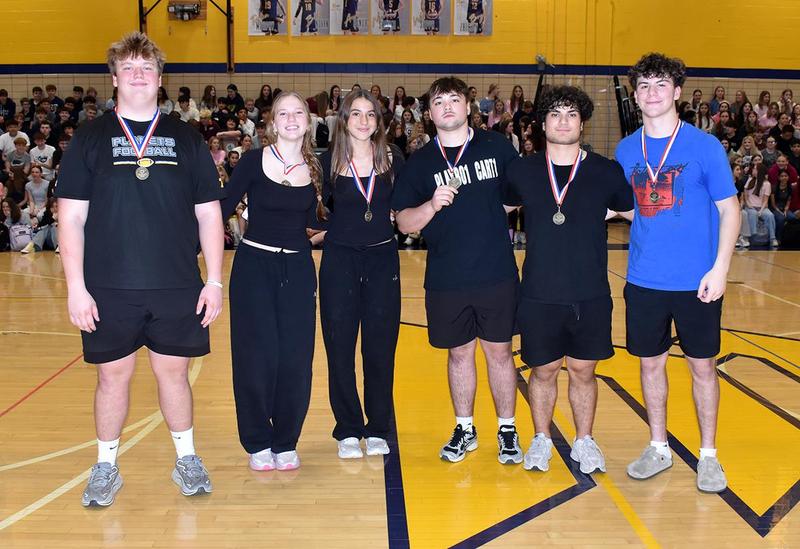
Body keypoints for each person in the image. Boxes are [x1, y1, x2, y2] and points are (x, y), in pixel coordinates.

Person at [55, 32, 224, 507]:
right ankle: (105, 466)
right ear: (113, 78)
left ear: (160, 77)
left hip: (176, 284)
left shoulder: (186, 138)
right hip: (108, 287)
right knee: (112, 378)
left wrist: (214, 280)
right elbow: (71, 217)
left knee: (174, 375)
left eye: (146, 67)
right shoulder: (89, 138)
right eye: (128, 67)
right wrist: (75, 287)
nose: (137, 74)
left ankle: (186, 459)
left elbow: (209, 214)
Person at [615, 53, 739, 493]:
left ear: (677, 92)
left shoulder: (704, 146)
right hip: (644, 279)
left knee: (703, 368)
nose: (652, 93)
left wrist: (720, 269)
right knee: (651, 365)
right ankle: (658, 447)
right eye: (644, 86)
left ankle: (708, 455)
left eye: (661, 84)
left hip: (697, 281)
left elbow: (730, 210)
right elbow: (636, 207)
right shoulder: (625, 149)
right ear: (635, 96)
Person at [392, 77, 522, 465]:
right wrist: (432, 206)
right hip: (447, 278)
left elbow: (519, 195)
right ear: (429, 114)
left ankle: (507, 429)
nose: (447, 106)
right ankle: (465, 428)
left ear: (468, 106)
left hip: (496, 272)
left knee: (500, 353)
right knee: (459, 355)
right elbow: (404, 222)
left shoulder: (497, 147)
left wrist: (492, 211)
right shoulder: (420, 162)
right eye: (438, 102)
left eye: (453, 99)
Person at [505, 85, 634, 474]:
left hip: (590, 292)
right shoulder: (522, 170)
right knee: (543, 371)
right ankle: (541, 438)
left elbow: (638, 215)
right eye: (555, 114)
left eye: (572, 115)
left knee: (583, 371)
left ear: (582, 123)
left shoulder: (606, 171)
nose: (563, 122)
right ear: (543, 124)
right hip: (539, 292)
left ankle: (584, 440)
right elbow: (494, 212)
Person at [220, 91, 325, 472]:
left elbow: (323, 220)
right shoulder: (252, 161)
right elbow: (220, 207)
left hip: (297, 269)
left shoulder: (318, 168)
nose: (292, 118)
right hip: (253, 268)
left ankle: (285, 440)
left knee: (296, 358)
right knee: (254, 357)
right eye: (284, 113)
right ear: (272, 123)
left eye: (299, 113)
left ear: (308, 123)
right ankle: (257, 441)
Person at [318, 90, 404, 458]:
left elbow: (406, 204)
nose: (364, 121)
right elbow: (313, 211)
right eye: (356, 113)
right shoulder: (326, 161)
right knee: (339, 347)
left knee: (380, 348)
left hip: (382, 261)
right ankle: (348, 428)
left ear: (379, 121)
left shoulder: (393, 158)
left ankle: (379, 426)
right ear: (343, 119)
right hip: (339, 261)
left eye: (370, 114)